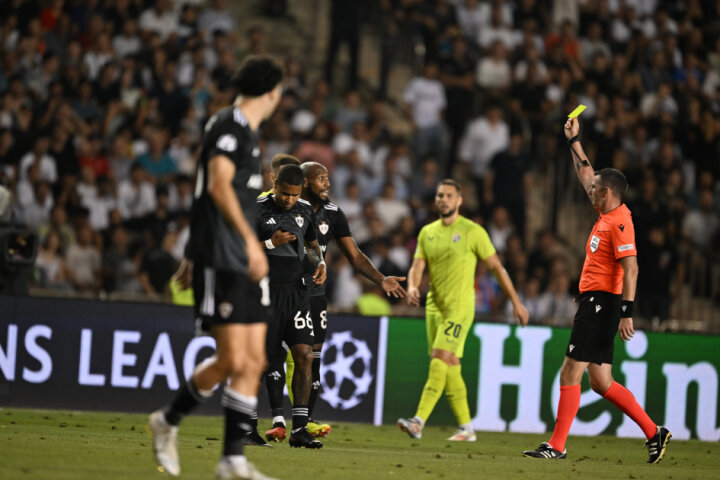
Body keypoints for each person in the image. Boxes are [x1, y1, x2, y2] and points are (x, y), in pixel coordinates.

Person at [148, 55, 283, 480]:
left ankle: (232, 460)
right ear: (273, 92)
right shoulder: (228, 126)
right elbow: (218, 184)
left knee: (252, 359)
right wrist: (245, 241)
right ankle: (167, 421)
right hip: (226, 258)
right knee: (230, 359)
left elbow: (204, 193)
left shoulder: (248, 133)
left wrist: (191, 249)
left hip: (238, 259)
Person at [522, 117, 671, 463]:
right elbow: (587, 174)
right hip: (596, 301)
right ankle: (654, 432)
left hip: (602, 303)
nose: (589, 188)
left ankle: (556, 445)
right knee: (601, 382)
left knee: (569, 370)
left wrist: (626, 312)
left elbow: (631, 267)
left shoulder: (619, 222)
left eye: (595, 188)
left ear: (607, 193)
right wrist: (575, 141)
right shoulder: (605, 213)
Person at [263, 161, 406, 440]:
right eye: (321, 178)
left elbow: (355, 256)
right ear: (304, 182)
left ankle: (304, 423)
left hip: (315, 297)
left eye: (328, 177)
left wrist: (380, 279)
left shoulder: (333, 214)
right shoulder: (284, 208)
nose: (327, 183)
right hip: (283, 292)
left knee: (311, 360)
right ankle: (277, 419)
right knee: (278, 355)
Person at [398, 179, 529, 441]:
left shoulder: (473, 231)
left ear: (459, 200)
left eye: (448, 195)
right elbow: (417, 266)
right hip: (435, 306)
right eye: (439, 195)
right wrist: (413, 287)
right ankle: (467, 428)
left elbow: (497, 268)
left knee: (439, 357)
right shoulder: (428, 232)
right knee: (451, 364)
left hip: (460, 307)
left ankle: (418, 421)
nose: (442, 199)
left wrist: (515, 301)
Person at [256, 164, 327, 449]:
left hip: (298, 292)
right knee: (270, 358)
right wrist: (269, 244)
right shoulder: (257, 208)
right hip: (267, 291)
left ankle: (299, 428)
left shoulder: (305, 209)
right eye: (284, 194)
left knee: (305, 355)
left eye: (294, 195)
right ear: (274, 183)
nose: (288, 200)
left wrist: (319, 261)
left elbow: (311, 244)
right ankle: (265, 421)